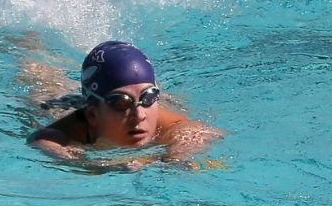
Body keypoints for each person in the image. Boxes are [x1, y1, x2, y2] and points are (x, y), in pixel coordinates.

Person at [19, 39, 221, 169]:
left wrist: (171, 160)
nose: (139, 114)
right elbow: (42, 140)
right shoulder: (79, 129)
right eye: (121, 103)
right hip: (64, 104)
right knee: (40, 83)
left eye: (149, 97)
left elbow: (201, 133)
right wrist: (101, 166)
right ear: (92, 115)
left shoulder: (170, 126)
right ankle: (27, 42)